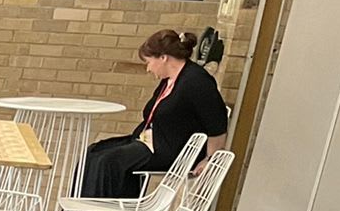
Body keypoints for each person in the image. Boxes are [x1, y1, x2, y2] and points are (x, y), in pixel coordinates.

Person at [80, 29, 230, 199]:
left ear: (163, 57)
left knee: (108, 162)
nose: (148, 69)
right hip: (149, 141)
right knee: (93, 153)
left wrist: (209, 159)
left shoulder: (197, 81)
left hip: (169, 149)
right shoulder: (169, 80)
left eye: (149, 62)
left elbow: (217, 125)